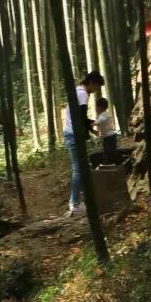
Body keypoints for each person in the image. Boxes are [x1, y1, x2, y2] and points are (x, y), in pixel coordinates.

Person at [62, 70, 104, 216]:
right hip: (74, 134)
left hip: (70, 132)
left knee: (80, 168)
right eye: (96, 87)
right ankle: (74, 204)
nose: (96, 90)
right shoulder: (83, 94)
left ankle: (79, 201)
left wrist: (92, 129)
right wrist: (94, 124)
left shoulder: (77, 90)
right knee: (78, 169)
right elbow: (81, 118)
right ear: (91, 83)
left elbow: (81, 118)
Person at [94, 94, 120, 164]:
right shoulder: (104, 114)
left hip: (110, 137)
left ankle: (114, 165)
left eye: (96, 106)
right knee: (108, 152)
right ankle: (112, 164)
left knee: (110, 153)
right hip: (108, 137)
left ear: (100, 107)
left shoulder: (103, 115)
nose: (95, 108)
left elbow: (98, 122)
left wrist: (90, 124)